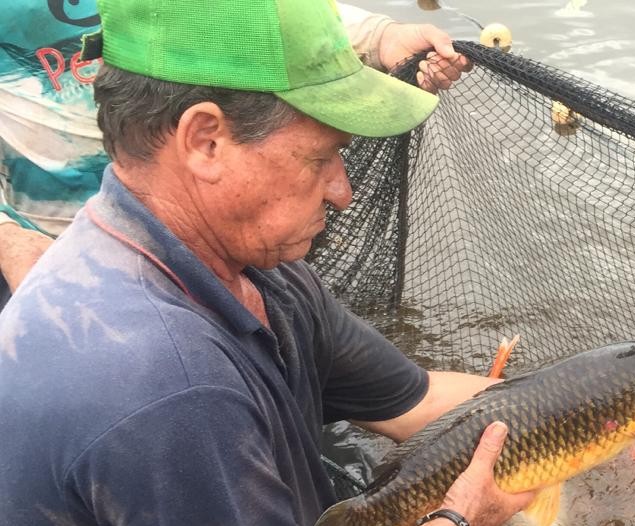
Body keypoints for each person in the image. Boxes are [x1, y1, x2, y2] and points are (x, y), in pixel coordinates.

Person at [0, 1, 635, 526]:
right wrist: (453, 525)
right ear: (205, 141)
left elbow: (415, 401)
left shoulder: (255, 273)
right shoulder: (159, 380)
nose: (344, 191)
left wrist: (598, 393)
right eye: (321, 157)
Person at [0, 0, 471, 310]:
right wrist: (11, 243)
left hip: (215, 215)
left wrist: (377, 37)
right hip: (51, 241)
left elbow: (254, 14)